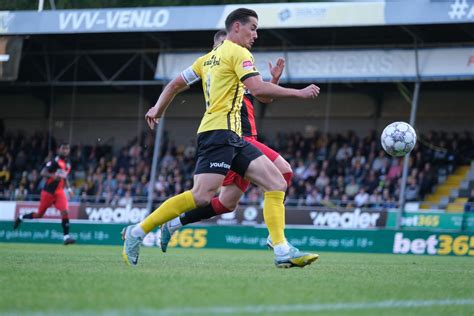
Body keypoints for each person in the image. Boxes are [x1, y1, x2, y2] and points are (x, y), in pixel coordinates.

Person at [122, 8, 320, 268]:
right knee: (202, 196)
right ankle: (137, 232)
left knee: (276, 182)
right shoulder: (239, 53)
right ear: (236, 27)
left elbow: (173, 85)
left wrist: (158, 109)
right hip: (218, 134)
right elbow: (258, 89)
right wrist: (299, 93)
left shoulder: (206, 60)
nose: (255, 35)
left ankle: (281, 248)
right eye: (253, 28)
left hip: (233, 136)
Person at [159, 30, 293, 252]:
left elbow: (262, 96)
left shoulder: (240, 75)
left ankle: (173, 223)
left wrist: (274, 80)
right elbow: (175, 85)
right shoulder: (221, 73)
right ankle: (276, 237)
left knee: (226, 204)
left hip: (244, 143)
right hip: (237, 139)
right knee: (283, 172)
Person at [13, 143, 76, 245]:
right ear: (59, 149)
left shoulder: (68, 163)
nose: (65, 150)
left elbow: (65, 177)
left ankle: (66, 237)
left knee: (65, 211)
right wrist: (52, 175)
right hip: (48, 193)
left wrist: (69, 189)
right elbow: (43, 172)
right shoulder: (55, 162)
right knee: (39, 215)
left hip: (59, 192)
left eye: (67, 148)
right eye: (63, 148)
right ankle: (21, 217)